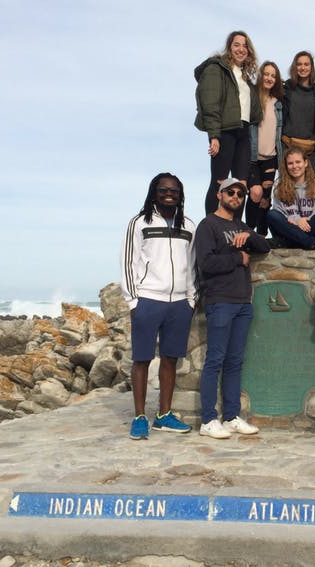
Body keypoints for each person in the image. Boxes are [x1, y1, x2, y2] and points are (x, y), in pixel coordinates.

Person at [120, 173, 196, 440]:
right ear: (154, 192)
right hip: (148, 299)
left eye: (174, 191)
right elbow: (128, 262)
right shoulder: (139, 222)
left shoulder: (188, 225)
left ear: (180, 195)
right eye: (164, 189)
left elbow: (192, 264)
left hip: (179, 303)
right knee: (141, 359)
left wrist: (191, 299)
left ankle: (163, 416)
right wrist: (133, 301)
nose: (169, 194)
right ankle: (140, 417)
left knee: (170, 359)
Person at [194, 177, 271, 439]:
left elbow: (264, 246)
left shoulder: (241, 225)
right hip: (220, 301)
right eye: (230, 192)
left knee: (235, 362)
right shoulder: (208, 225)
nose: (236, 196)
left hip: (242, 302)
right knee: (215, 360)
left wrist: (249, 235)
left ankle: (230, 417)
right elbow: (206, 263)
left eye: (240, 193)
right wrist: (239, 257)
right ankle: (208, 420)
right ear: (219, 195)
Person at [194, 31, 263, 215]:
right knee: (220, 181)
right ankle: (211, 223)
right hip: (225, 131)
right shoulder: (218, 69)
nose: (241, 49)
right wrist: (214, 136)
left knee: (241, 185)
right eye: (236, 45)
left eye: (245, 46)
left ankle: (236, 225)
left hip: (243, 132)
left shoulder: (245, 76)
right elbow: (211, 103)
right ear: (229, 48)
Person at [266, 148, 315, 250]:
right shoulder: (279, 186)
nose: (294, 166)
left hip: (308, 227)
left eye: (298, 162)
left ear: (305, 163)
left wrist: (302, 221)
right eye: (290, 163)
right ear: (286, 166)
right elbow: (279, 212)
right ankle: (311, 243)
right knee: (272, 214)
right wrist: (297, 220)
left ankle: (290, 242)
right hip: (289, 228)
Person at [245, 61, 284, 234]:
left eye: (273, 76)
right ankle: (248, 231)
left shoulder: (278, 103)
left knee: (265, 199)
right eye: (266, 74)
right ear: (261, 76)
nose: (269, 78)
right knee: (255, 193)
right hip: (252, 158)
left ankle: (261, 236)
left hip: (271, 157)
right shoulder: (252, 97)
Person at [281, 51, 315, 173]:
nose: (303, 68)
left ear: (311, 67)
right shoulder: (286, 88)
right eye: (299, 64)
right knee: (287, 184)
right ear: (294, 67)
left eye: (306, 64)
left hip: (309, 149)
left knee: (309, 185)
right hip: (288, 146)